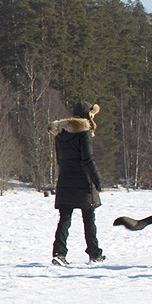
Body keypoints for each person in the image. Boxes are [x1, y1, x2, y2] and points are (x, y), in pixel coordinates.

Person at [50, 102, 105, 266]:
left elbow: (60, 160)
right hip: (83, 180)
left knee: (64, 219)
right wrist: (98, 181)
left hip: (65, 179)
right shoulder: (84, 133)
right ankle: (94, 253)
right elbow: (88, 159)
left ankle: (59, 253)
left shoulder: (60, 133)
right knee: (88, 218)